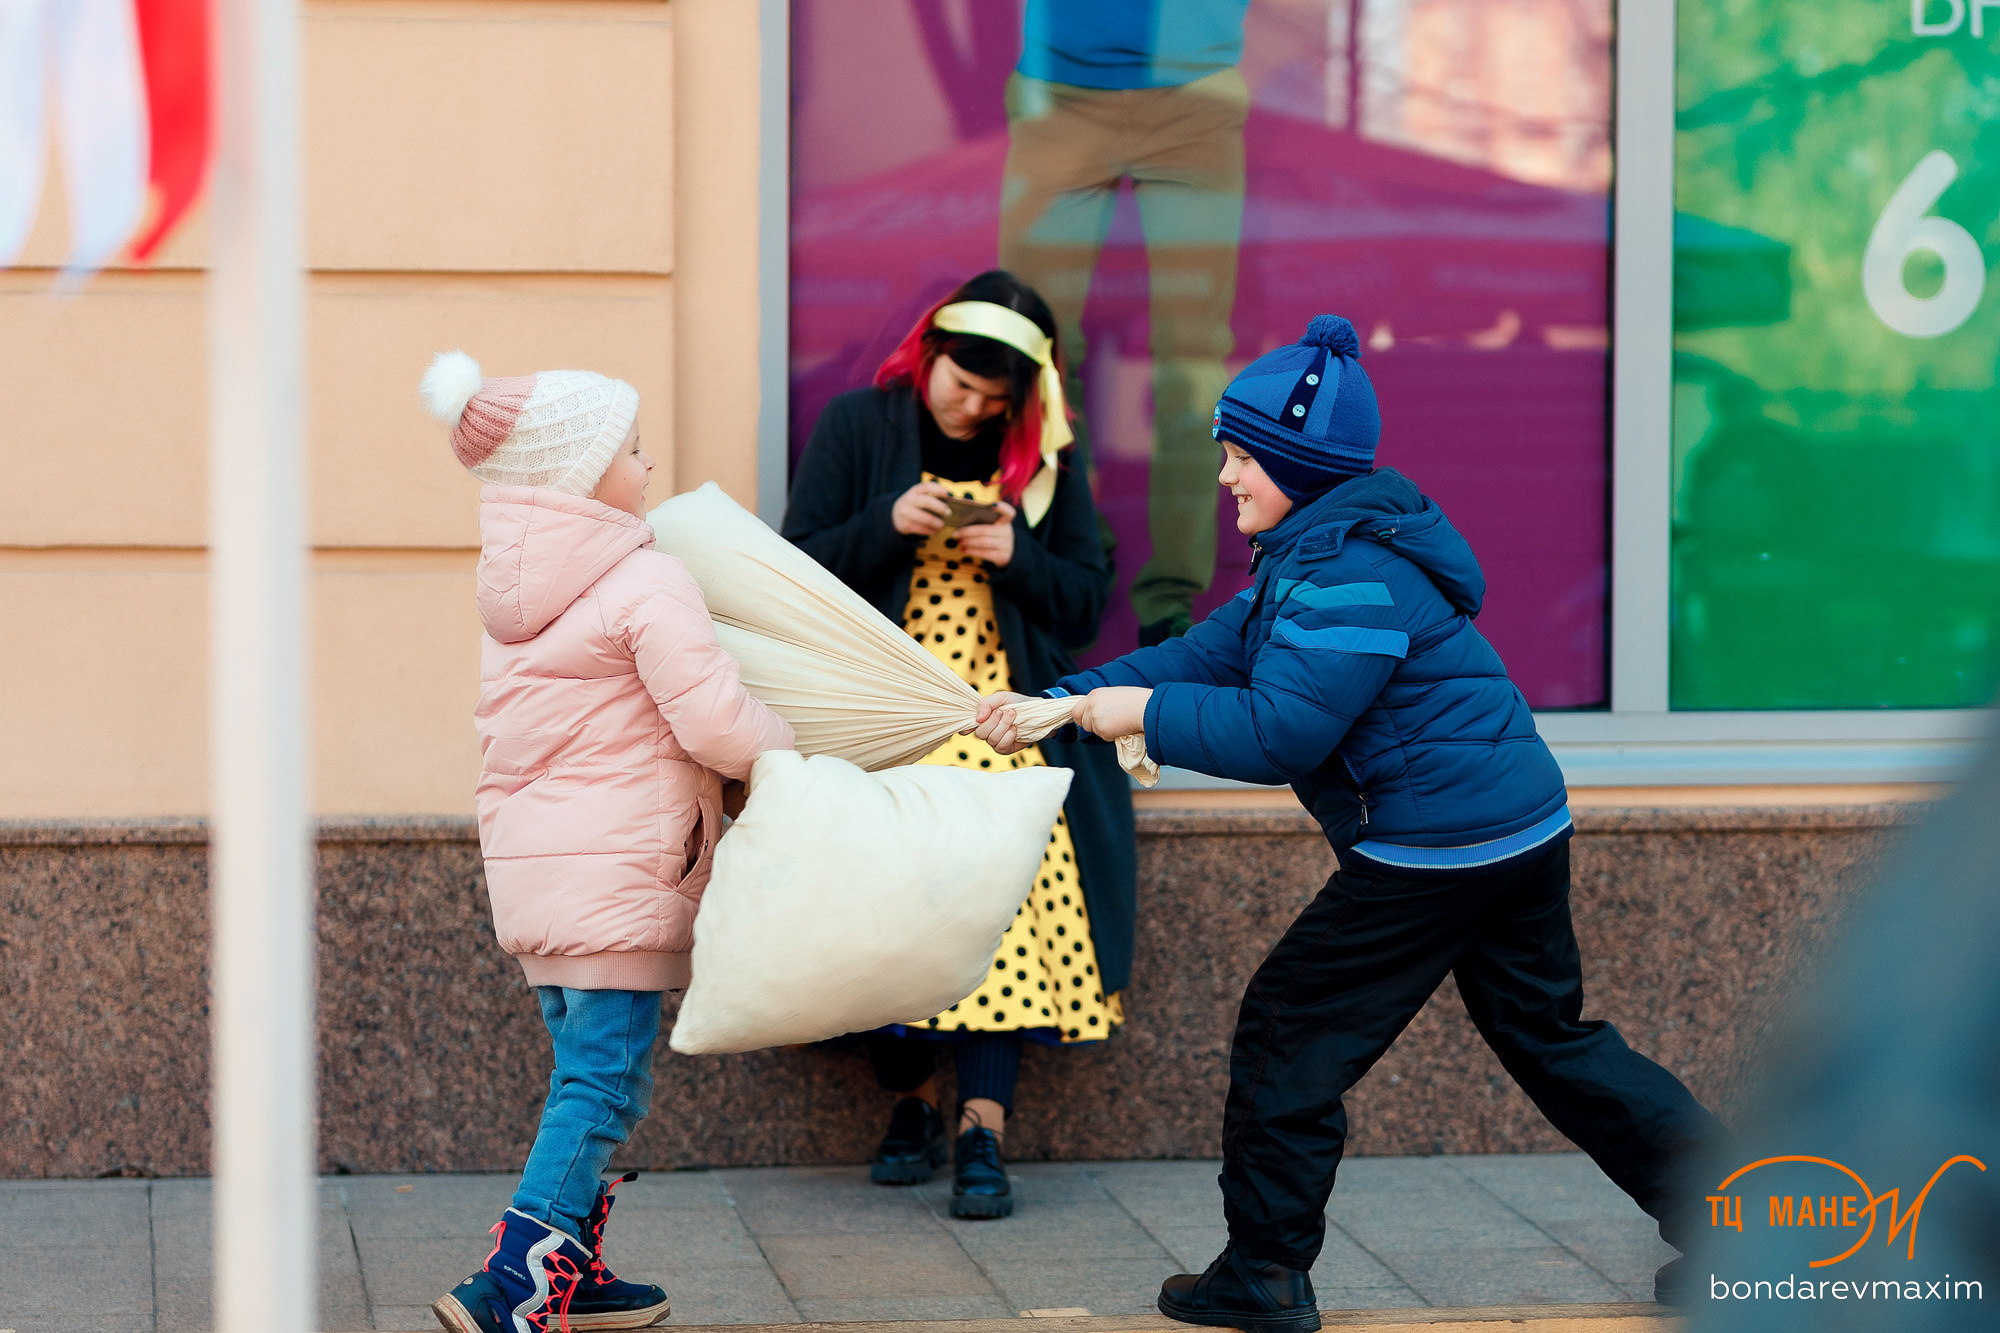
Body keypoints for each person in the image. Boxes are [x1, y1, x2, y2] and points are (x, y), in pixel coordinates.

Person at [976, 314, 1725, 1327]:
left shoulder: (1344, 578)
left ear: (1296, 462)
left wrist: (1140, 715)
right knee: (1551, 1038)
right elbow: (1204, 658)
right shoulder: (1316, 553)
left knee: (1288, 1034)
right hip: (1507, 829)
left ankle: (1263, 1274)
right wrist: (1061, 702)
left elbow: (1278, 730)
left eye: (1242, 457)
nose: (1226, 477)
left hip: (1438, 848)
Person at [418, 351, 795, 1333]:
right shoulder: (644, 579)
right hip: (621, 877)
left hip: (541, 881)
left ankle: (570, 1270)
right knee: (602, 1083)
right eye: (629, 447)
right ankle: (511, 1285)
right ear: (581, 475)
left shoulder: (514, 598)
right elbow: (714, 722)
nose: (648, 460)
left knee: (580, 1075)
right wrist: (788, 753)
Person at [783, 269, 1137, 1220]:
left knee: (1005, 899)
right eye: (960, 386)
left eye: (995, 399)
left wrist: (1018, 555)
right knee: (880, 910)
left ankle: (984, 1123)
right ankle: (912, 1103)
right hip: (885, 715)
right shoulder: (862, 426)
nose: (975, 407)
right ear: (927, 353)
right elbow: (794, 566)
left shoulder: (1045, 456)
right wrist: (883, 525)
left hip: (1000, 711)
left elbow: (1085, 600)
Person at [1000, 0, 1250, 645]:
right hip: (1058, 90)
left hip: (1196, 91)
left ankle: (1173, 600)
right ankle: (1075, 557)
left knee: (1191, 363)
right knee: (1035, 351)